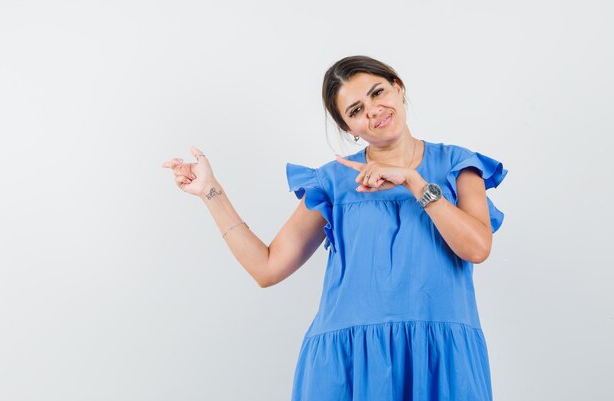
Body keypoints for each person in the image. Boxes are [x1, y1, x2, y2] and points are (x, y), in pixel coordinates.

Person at [162, 55, 508, 401]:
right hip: (349, 363)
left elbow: (477, 248)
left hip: (441, 360)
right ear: (348, 128)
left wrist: (415, 183)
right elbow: (266, 268)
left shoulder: (456, 164)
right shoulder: (333, 181)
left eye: (377, 93)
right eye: (355, 111)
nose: (373, 111)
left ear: (398, 88)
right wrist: (211, 192)